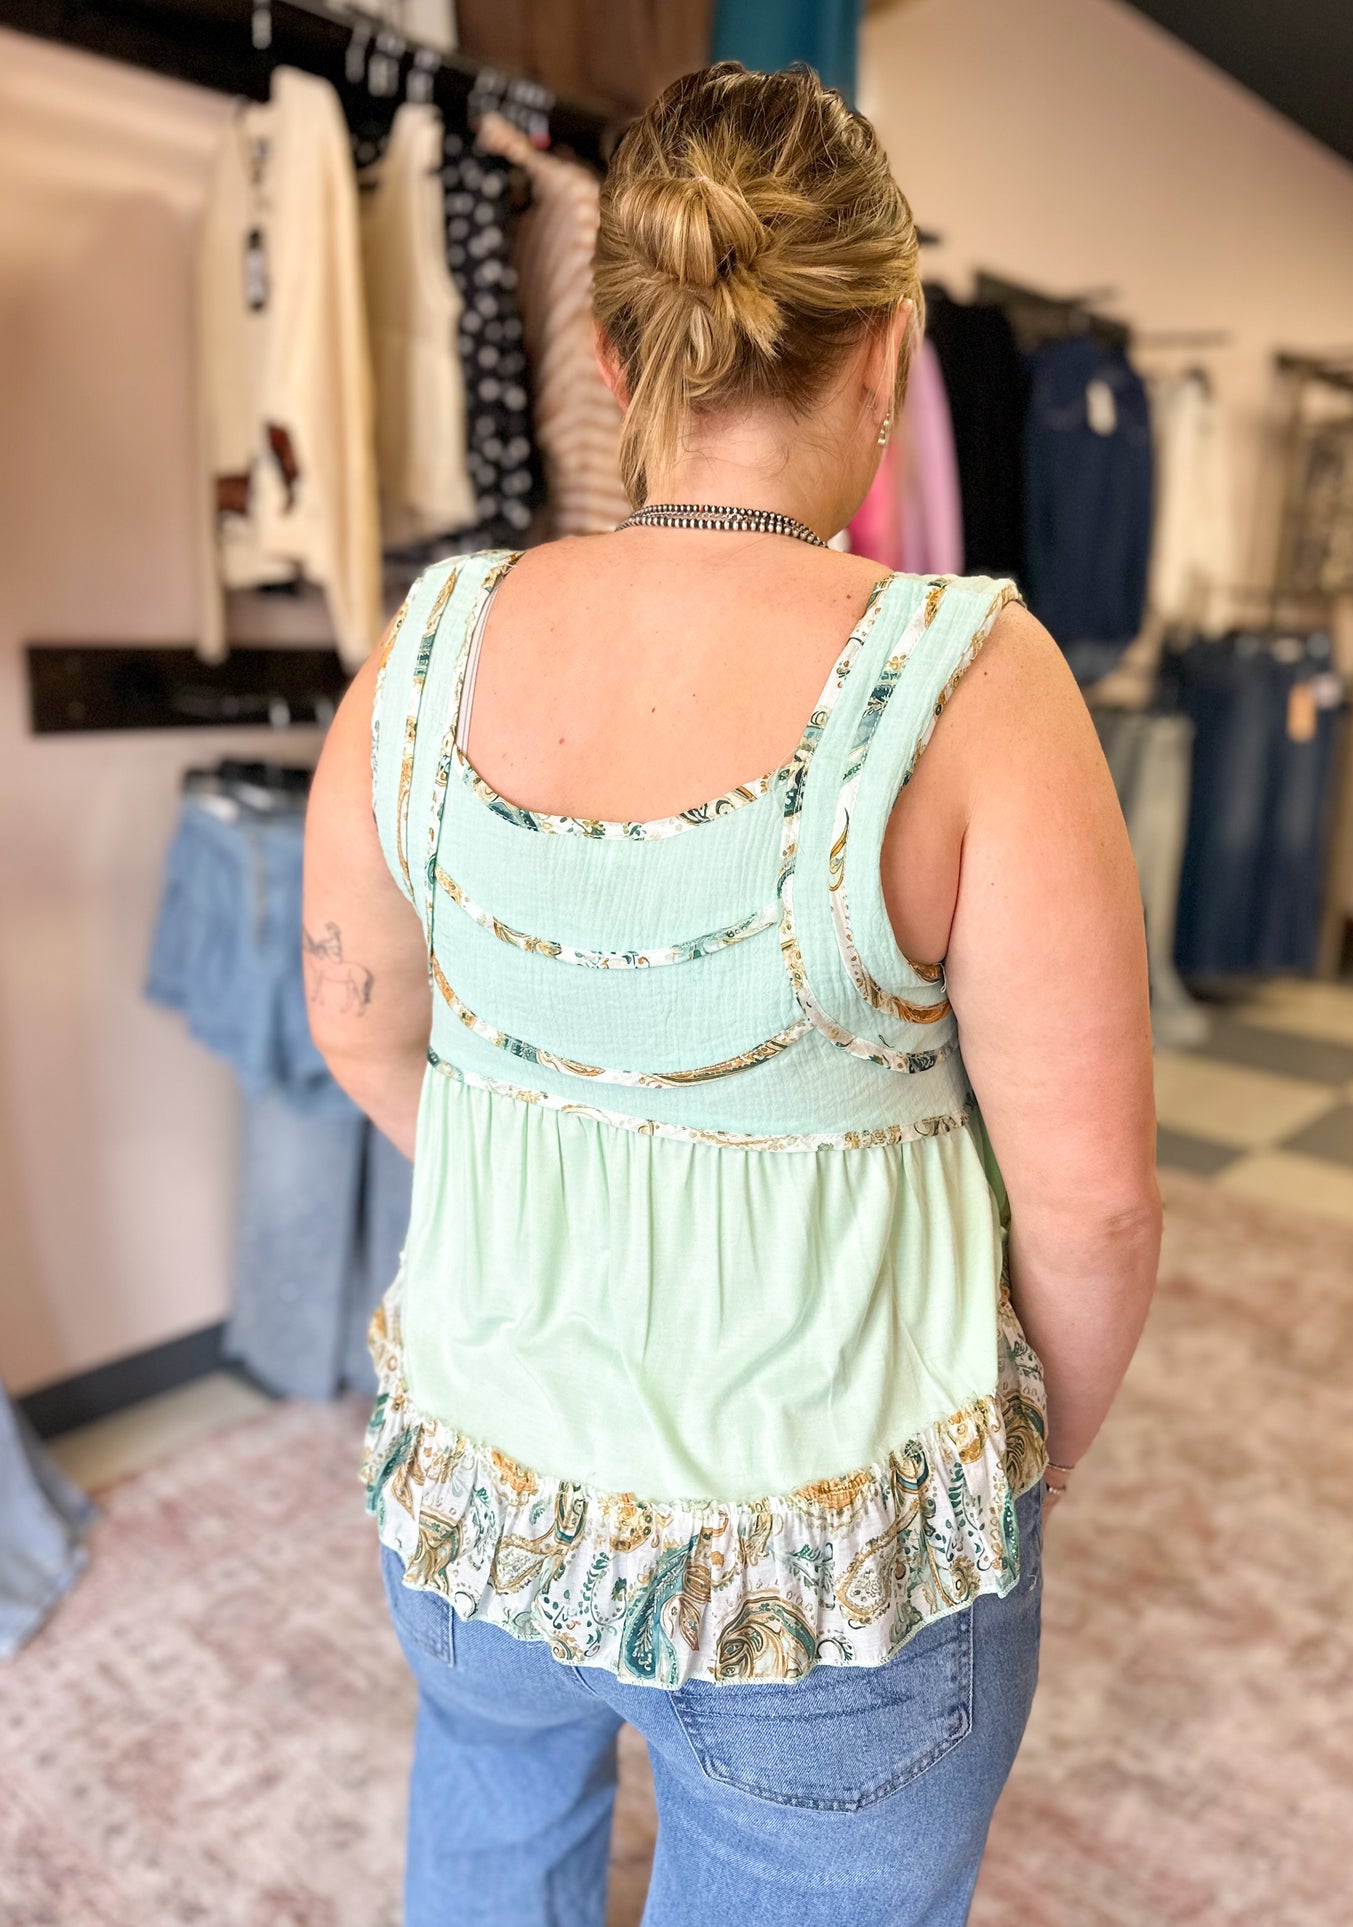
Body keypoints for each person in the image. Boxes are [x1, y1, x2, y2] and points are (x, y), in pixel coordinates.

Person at [303, 60, 1160, 1927]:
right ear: (885, 359)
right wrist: (1038, 1449)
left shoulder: (425, 652)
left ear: (616, 365)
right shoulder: (970, 683)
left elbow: (361, 1022)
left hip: (481, 1488)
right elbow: (1090, 1202)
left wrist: (574, 1175)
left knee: (488, 1813)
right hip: (833, 1556)